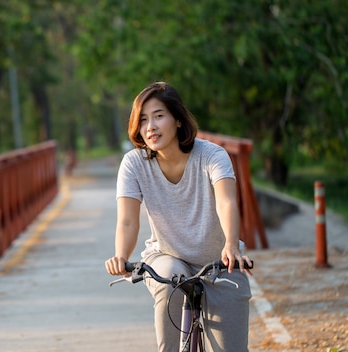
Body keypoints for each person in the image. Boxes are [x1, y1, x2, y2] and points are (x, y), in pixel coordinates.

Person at [104, 82, 253, 352]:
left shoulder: (212, 156)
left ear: (178, 120)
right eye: (143, 120)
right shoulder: (134, 163)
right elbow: (127, 220)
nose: (150, 126)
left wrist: (231, 244)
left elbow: (227, 202)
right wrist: (121, 257)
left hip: (220, 262)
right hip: (166, 256)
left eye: (159, 116)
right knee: (173, 280)